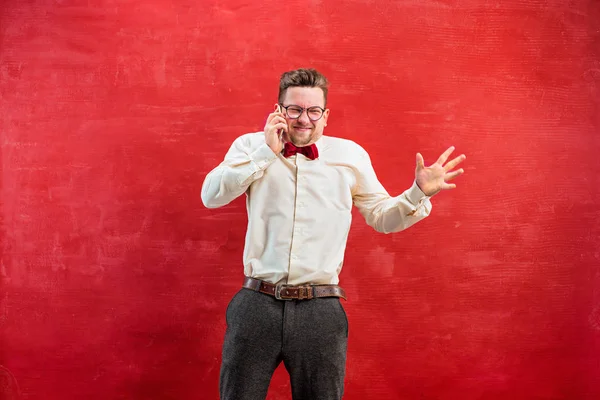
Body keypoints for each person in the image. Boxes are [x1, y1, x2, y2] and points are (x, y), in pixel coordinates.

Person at [201, 68, 466, 400]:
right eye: (294, 109)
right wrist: (265, 154)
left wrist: (417, 192)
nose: (304, 120)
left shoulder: (350, 156)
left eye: (313, 111)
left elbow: (382, 217)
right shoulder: (249, 146)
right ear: (279, 110)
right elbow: (211, 196)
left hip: (320, 309)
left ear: (325, 115)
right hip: (255, 303)